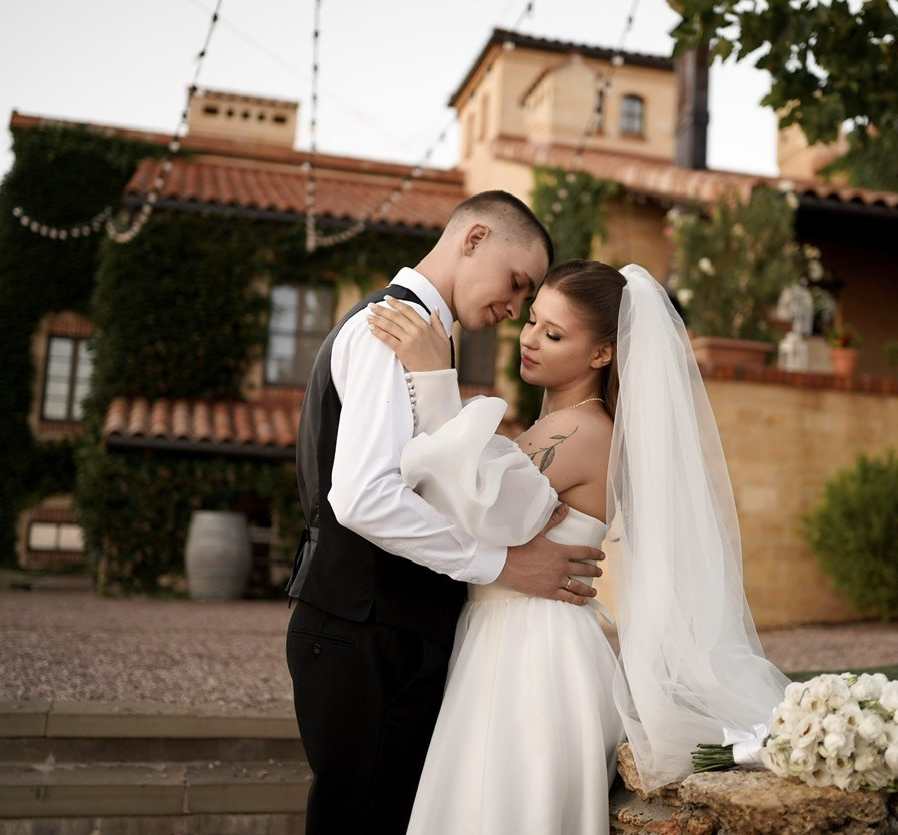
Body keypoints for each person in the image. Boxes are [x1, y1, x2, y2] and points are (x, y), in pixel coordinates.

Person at [367, 260, 790, 834]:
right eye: (532, 321)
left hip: (535, 652)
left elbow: (476, 507)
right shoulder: (553, 426)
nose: (529, 339)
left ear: (601, 354)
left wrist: (434, 378)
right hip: (507, 637)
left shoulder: (586, 431)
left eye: (554, 333)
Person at [284, 191, 605, 835]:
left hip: (394, 630)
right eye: (517, 284)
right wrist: (501, 565)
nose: (515, 311)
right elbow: (364, 497)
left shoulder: (425, 342)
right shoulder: (392, 331)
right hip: (368, 630)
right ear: (475, 238)